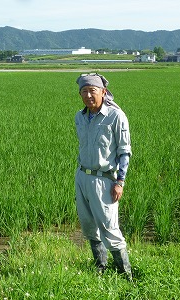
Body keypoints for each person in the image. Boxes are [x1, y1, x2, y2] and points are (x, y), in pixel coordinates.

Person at [74, 73, 132, 280]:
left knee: (109, 227)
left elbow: (124, 152)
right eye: (84, 91)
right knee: (89, 226)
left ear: (103, 92)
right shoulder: (79, 117)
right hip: (82, 177)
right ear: (80, 94)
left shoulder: (116, 116)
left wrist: (120, 181)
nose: (88, 95)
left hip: (105, 179)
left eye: (93, 91)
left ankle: (126, 275)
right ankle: (101, 267)